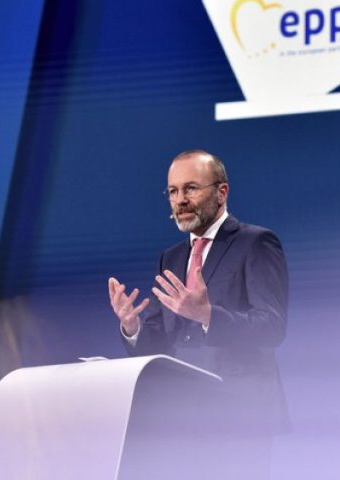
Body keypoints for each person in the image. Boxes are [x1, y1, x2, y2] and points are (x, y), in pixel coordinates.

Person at [107, 150, 290, 475]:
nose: (180, 200)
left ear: (222, 192)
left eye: (191, 188)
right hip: (180, 419)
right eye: (173, 191)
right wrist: (132, 327)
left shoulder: (256, 242)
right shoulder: (171, 257)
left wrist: (208, 315)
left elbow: (271, 328)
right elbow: (159, 344)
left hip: (240, 415)